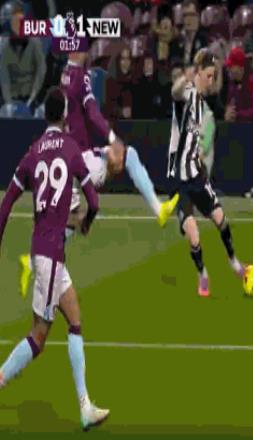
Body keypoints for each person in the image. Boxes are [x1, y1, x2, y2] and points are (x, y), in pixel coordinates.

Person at [18, 50, 179, 298]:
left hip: (69, 158)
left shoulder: (64, 75)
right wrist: (113, 139)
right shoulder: (80, 77)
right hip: (82, 160)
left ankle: (30, 261)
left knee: (69, 223)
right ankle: (158, 209)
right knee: (127, 154)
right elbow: (93, 113)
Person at [0, 87, 108, 431]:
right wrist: (87, 223)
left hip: (46, 252)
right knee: (39, 337)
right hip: (50, 255)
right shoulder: (71, 148)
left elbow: (6, 203)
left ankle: (85, 406)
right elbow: (94, 201)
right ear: (63, 115)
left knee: (75, 320)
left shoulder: (32, 152)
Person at [168, 49, 247, 297]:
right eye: (209, 75)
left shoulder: (204, 106)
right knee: (193, 234)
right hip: (179, 181)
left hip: (197, 175)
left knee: (221, 218)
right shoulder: (187, 93)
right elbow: (175, 91)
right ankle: (202, 274)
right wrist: (188, 75)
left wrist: (201, 153)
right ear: (199, 72)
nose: (211, 81)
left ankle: (234, 262)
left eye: (214, 76)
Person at [224, 47, 253, 122]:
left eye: (231, 66)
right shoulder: (232, 83)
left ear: (241, 68)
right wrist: (228, 114)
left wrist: (238, 114)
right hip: (237, 126)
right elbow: (230, 106)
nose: (228, 69)